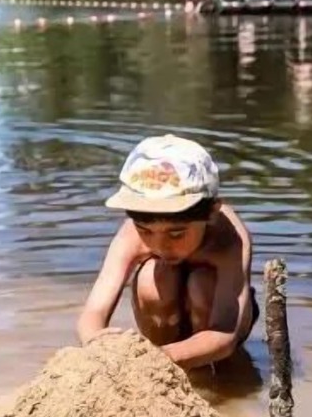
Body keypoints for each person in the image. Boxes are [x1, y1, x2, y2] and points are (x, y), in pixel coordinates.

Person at [75, 134, 256, 371]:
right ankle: (165, 376)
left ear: (212, 213)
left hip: (222, 322)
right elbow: (93, 313)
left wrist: (153, 360)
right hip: (164, 332)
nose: (160, 246)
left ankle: (216, 376)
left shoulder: (229, 240)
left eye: (176, 234)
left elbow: (225, 334)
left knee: (202, 285)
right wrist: (98, 343)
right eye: (145, 231)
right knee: (152, 279)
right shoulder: (130, 235)